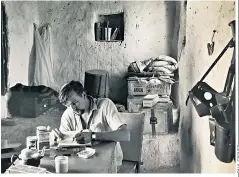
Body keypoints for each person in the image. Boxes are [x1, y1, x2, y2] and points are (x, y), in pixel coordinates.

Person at [56, 80, 130, 167]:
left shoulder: (105, 105)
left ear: (83, 95)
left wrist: (93, 136)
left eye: (75, 103)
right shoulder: (68, 113)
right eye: (69, 105)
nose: (73, 109)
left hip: (108, 163)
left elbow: (125, 135)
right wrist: (56, 139)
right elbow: (62, 144)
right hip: (82, 164)